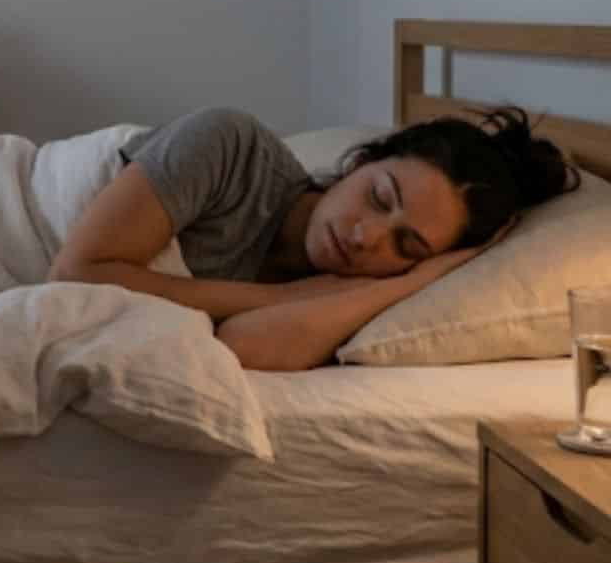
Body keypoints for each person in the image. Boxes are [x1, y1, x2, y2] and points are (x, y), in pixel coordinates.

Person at [49, 105, 578, 371]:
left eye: (407, 246)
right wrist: (280, 297)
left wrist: (416, 281)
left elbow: (243, 348)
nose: (365, 237)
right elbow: (75, 276)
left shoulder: (345, 291)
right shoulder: (228, 146)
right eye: (377, 196)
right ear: (360, 162)